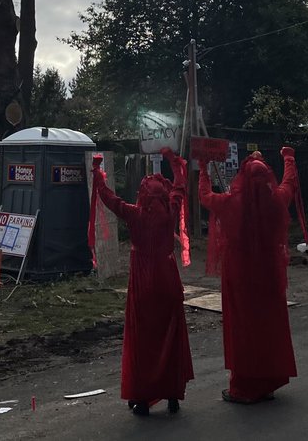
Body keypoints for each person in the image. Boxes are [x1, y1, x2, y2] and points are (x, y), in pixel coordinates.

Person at [90, 149, 194, 416]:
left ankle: (143, 397)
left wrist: (97, 173)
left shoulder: (135, 214)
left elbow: (108, 198)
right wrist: (175, 163)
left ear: (143, 195)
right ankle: (173, 395)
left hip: (143, 281)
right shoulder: (171, 210)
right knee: (170, 337)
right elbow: (180, 186)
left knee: (144, 340)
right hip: (168, 278)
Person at [199, 147, 299, 404]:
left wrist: (204, 169)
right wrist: (288, 157)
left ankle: (243, 386)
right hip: (268, 272)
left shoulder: (231, 203)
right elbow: (289, 182)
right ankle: (267, 382)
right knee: (267, 324)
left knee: (243, 327)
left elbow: (205, 196)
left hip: (239, 274)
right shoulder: (276, 201)